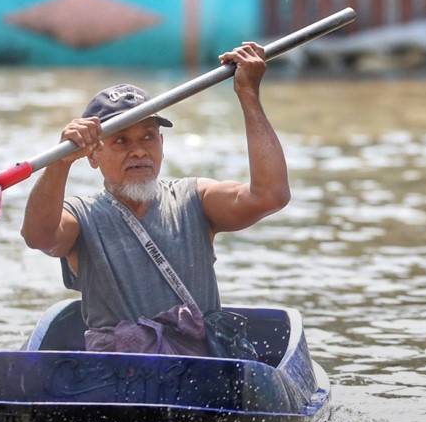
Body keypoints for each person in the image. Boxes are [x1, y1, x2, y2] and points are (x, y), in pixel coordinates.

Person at [19, 42, 291, 358]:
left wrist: (249, 96)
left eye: (148, 137)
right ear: (93, 156)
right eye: (121, 140)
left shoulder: (195, 199)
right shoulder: (81, 216)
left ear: (161, 143)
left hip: (200, 376)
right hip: (117, 379)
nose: (139, 151)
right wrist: (60, 162)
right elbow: (38, 236)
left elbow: (271, 195)